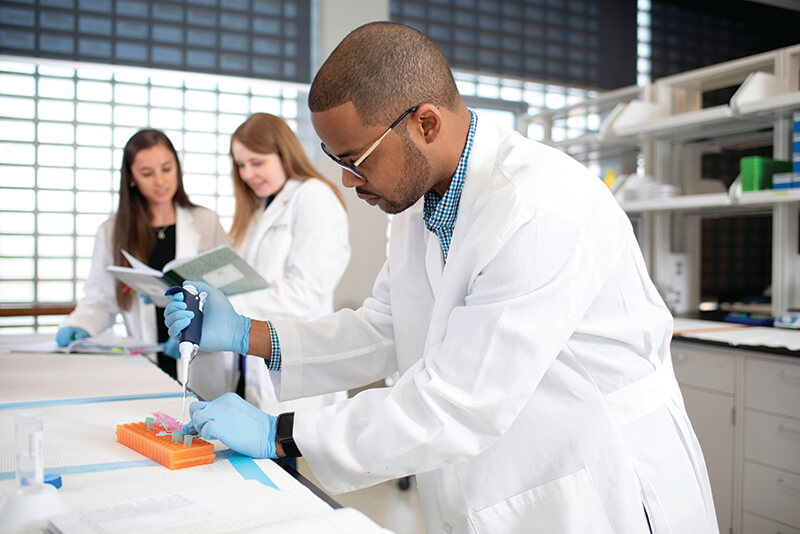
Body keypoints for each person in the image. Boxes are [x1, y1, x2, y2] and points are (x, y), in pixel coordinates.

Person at [165, 22, 718, 534]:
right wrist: (246, 333)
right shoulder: (419, 202)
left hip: (598, 485)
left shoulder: (537, 210)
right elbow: (386, 327)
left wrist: (280, 434)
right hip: (494, 477)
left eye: (356, 158)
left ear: (425, 122)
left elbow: (460, 401)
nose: (345, 178)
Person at [188, 112, 350, 427]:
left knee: (288, 460)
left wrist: (228, 306)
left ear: (283, 153)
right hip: (253, 362)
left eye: (256, 162)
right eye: (240, 165)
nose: (247, 173)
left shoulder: (313, 197)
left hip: (297, 358)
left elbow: (306, 293)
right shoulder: (258, 208)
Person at [58, 129, 226, 380]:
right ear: (131, 178)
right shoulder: (112, 231)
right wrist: (80, 325)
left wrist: (198, 329)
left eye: (167, 169)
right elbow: (100, 298)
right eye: (147, 173)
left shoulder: (205, 221)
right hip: (146, 359)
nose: (160, 181)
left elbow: (226, 289)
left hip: (199, 360)